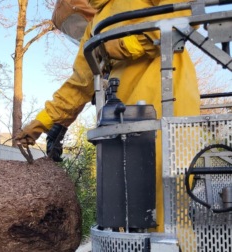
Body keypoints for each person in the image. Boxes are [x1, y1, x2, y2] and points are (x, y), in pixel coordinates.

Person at [15, 0, 200, 232]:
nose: (78, 27)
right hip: (121, 119)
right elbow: (80, 83)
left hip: (169, 103)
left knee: (168, 204)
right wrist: (43, 121)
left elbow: (180, 13)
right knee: (126, 205)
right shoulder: (95, 25)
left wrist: (124, 44)